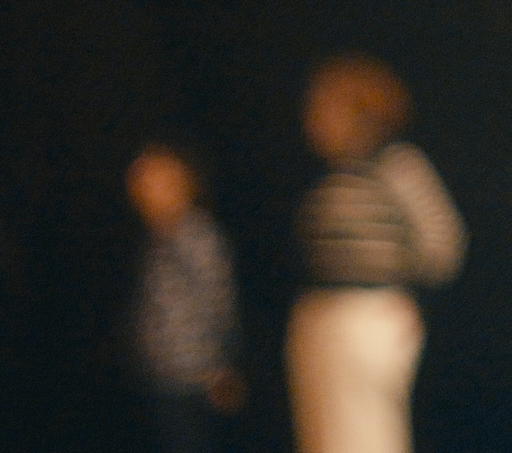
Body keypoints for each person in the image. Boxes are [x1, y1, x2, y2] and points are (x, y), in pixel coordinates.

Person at [286, 52, 466, 453]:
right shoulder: (335, 176)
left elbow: (444, 245)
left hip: (368, 316)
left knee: (365, 436)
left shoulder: (397, 166)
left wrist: (400, 294)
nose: (312, 118)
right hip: (322, 316)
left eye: (323, 106)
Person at [128, 139, 245, 453]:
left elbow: (218, 304)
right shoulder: (157, 240)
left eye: (156, 181)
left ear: (184, 183)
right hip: (164, 376)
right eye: (139, 181)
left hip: (196, 379)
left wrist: (222, 367)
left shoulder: (198, 237)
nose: (144, 191)